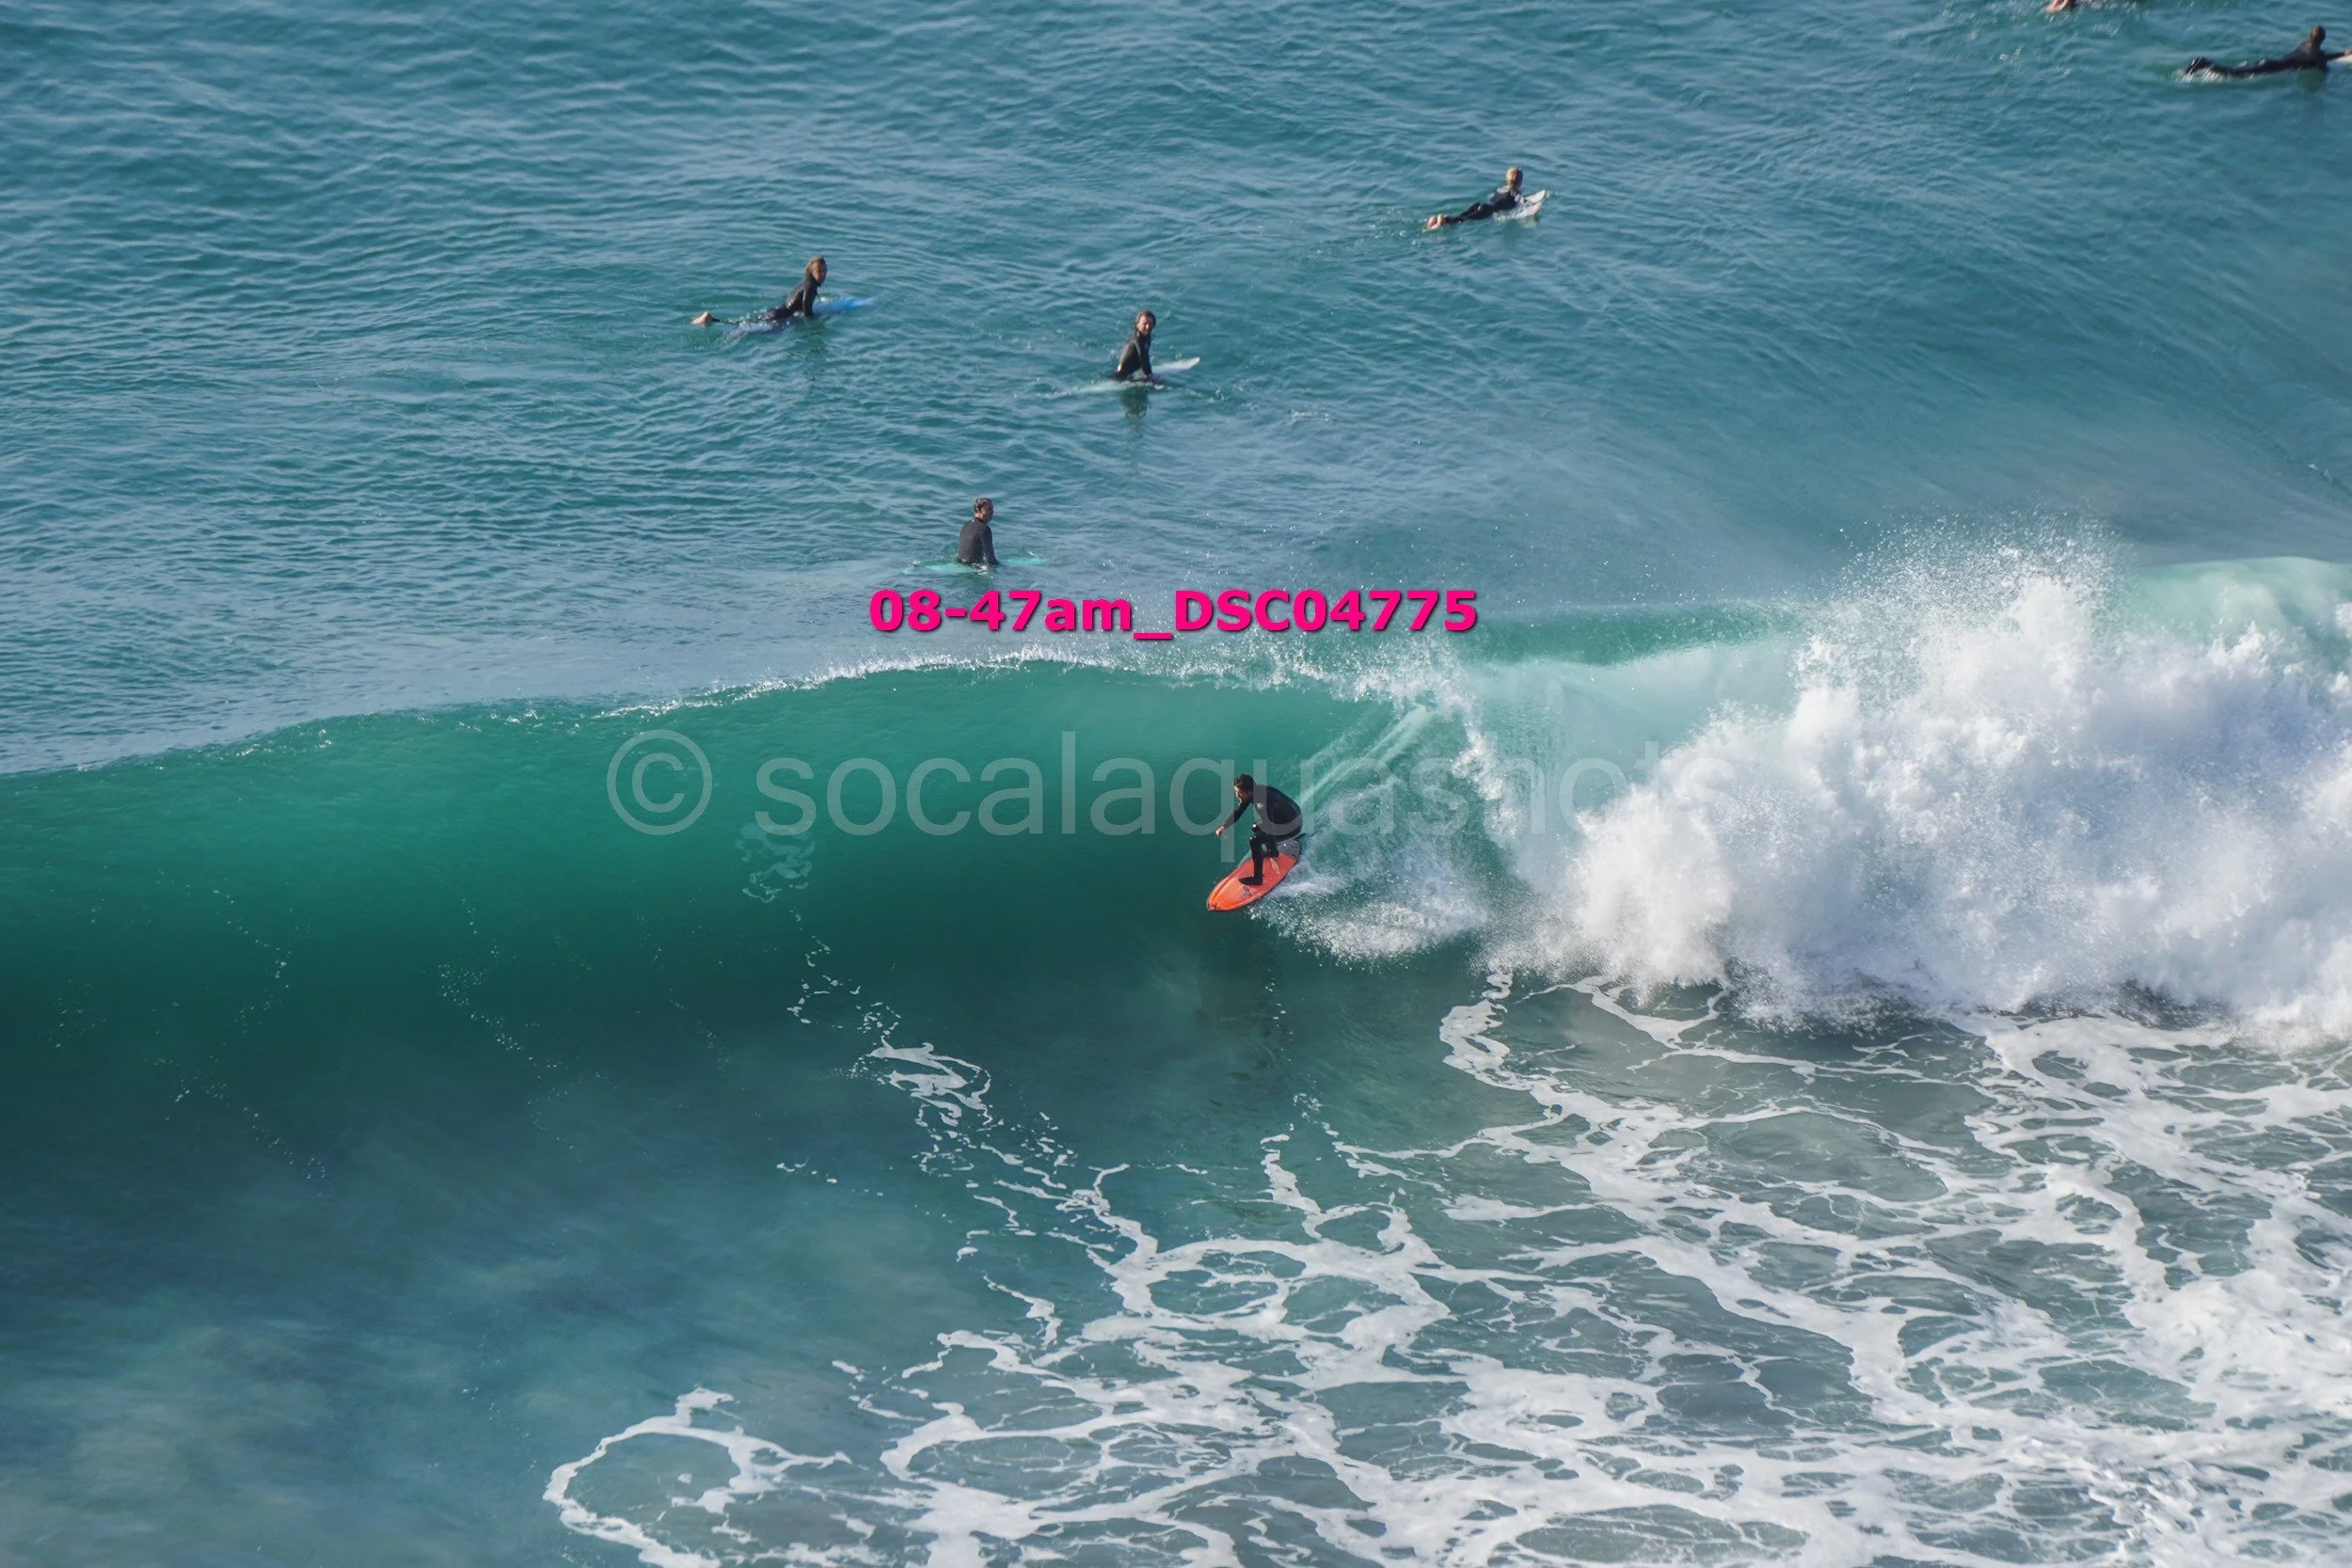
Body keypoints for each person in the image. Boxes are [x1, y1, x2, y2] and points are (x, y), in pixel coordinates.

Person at [1216, 774, 1305, 886]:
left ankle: (1258, 878)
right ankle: (1271, 851)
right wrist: (1223, 826)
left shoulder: (1261, 803)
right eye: (1236, 791)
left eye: (1239, 792)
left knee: (1254, 840)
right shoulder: (1255, 790)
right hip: (1293, 817)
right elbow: (1239, 811)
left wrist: (1272, 852)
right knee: (1256, 827)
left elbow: (1271, 829)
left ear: (1248, 792)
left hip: (1292, 826)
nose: (1237, 795)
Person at [692, 256, 826, 327]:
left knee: (746, 323)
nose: (823, 274)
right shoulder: (810, 286)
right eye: (819, 271)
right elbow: (807, 312)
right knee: (749, 331)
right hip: (779, 317)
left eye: (825, 271)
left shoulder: (805, 283)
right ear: (811, 271)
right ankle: (712, 320)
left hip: (776, 312)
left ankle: (712, 320)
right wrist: (819, 321)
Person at [2187, 26, 2349, 75]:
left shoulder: (2304, 44)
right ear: (2323, 40)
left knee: (2238, 70)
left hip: (2270, 61)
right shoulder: (2318, 55)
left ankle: (2203, 64)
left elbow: (2321, 56)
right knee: (2234, 74)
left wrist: (2342, 53)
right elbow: (2323, 70)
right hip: (2272, 67)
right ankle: (2204, 63)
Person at [1425, 167, 1525, 230]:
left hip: (1480, 204)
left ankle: (1437, 220)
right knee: (1463, 220)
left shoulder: (1501, 190)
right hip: (1488, 210)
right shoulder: (1516, 193)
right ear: (1520, 182)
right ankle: (1443, 221)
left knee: (1461, 216)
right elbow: (1519, 204)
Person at [1113, 311, 1156, 384]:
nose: (1148, 327)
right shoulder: (1137, 339)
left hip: (1130, 374)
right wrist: (1151, 378)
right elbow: (1144, 360)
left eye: (1150, 324)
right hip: (1121, 378)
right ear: (1137, 325)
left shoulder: (1145, 335)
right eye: (1144, 324)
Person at [957, 498, 1000, 569]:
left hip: (959, 564)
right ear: (978, 510)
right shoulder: (984, 529)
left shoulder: (966, 525)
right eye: (989, 509)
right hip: (974, 568)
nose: (993, 512)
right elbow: (991, 560)